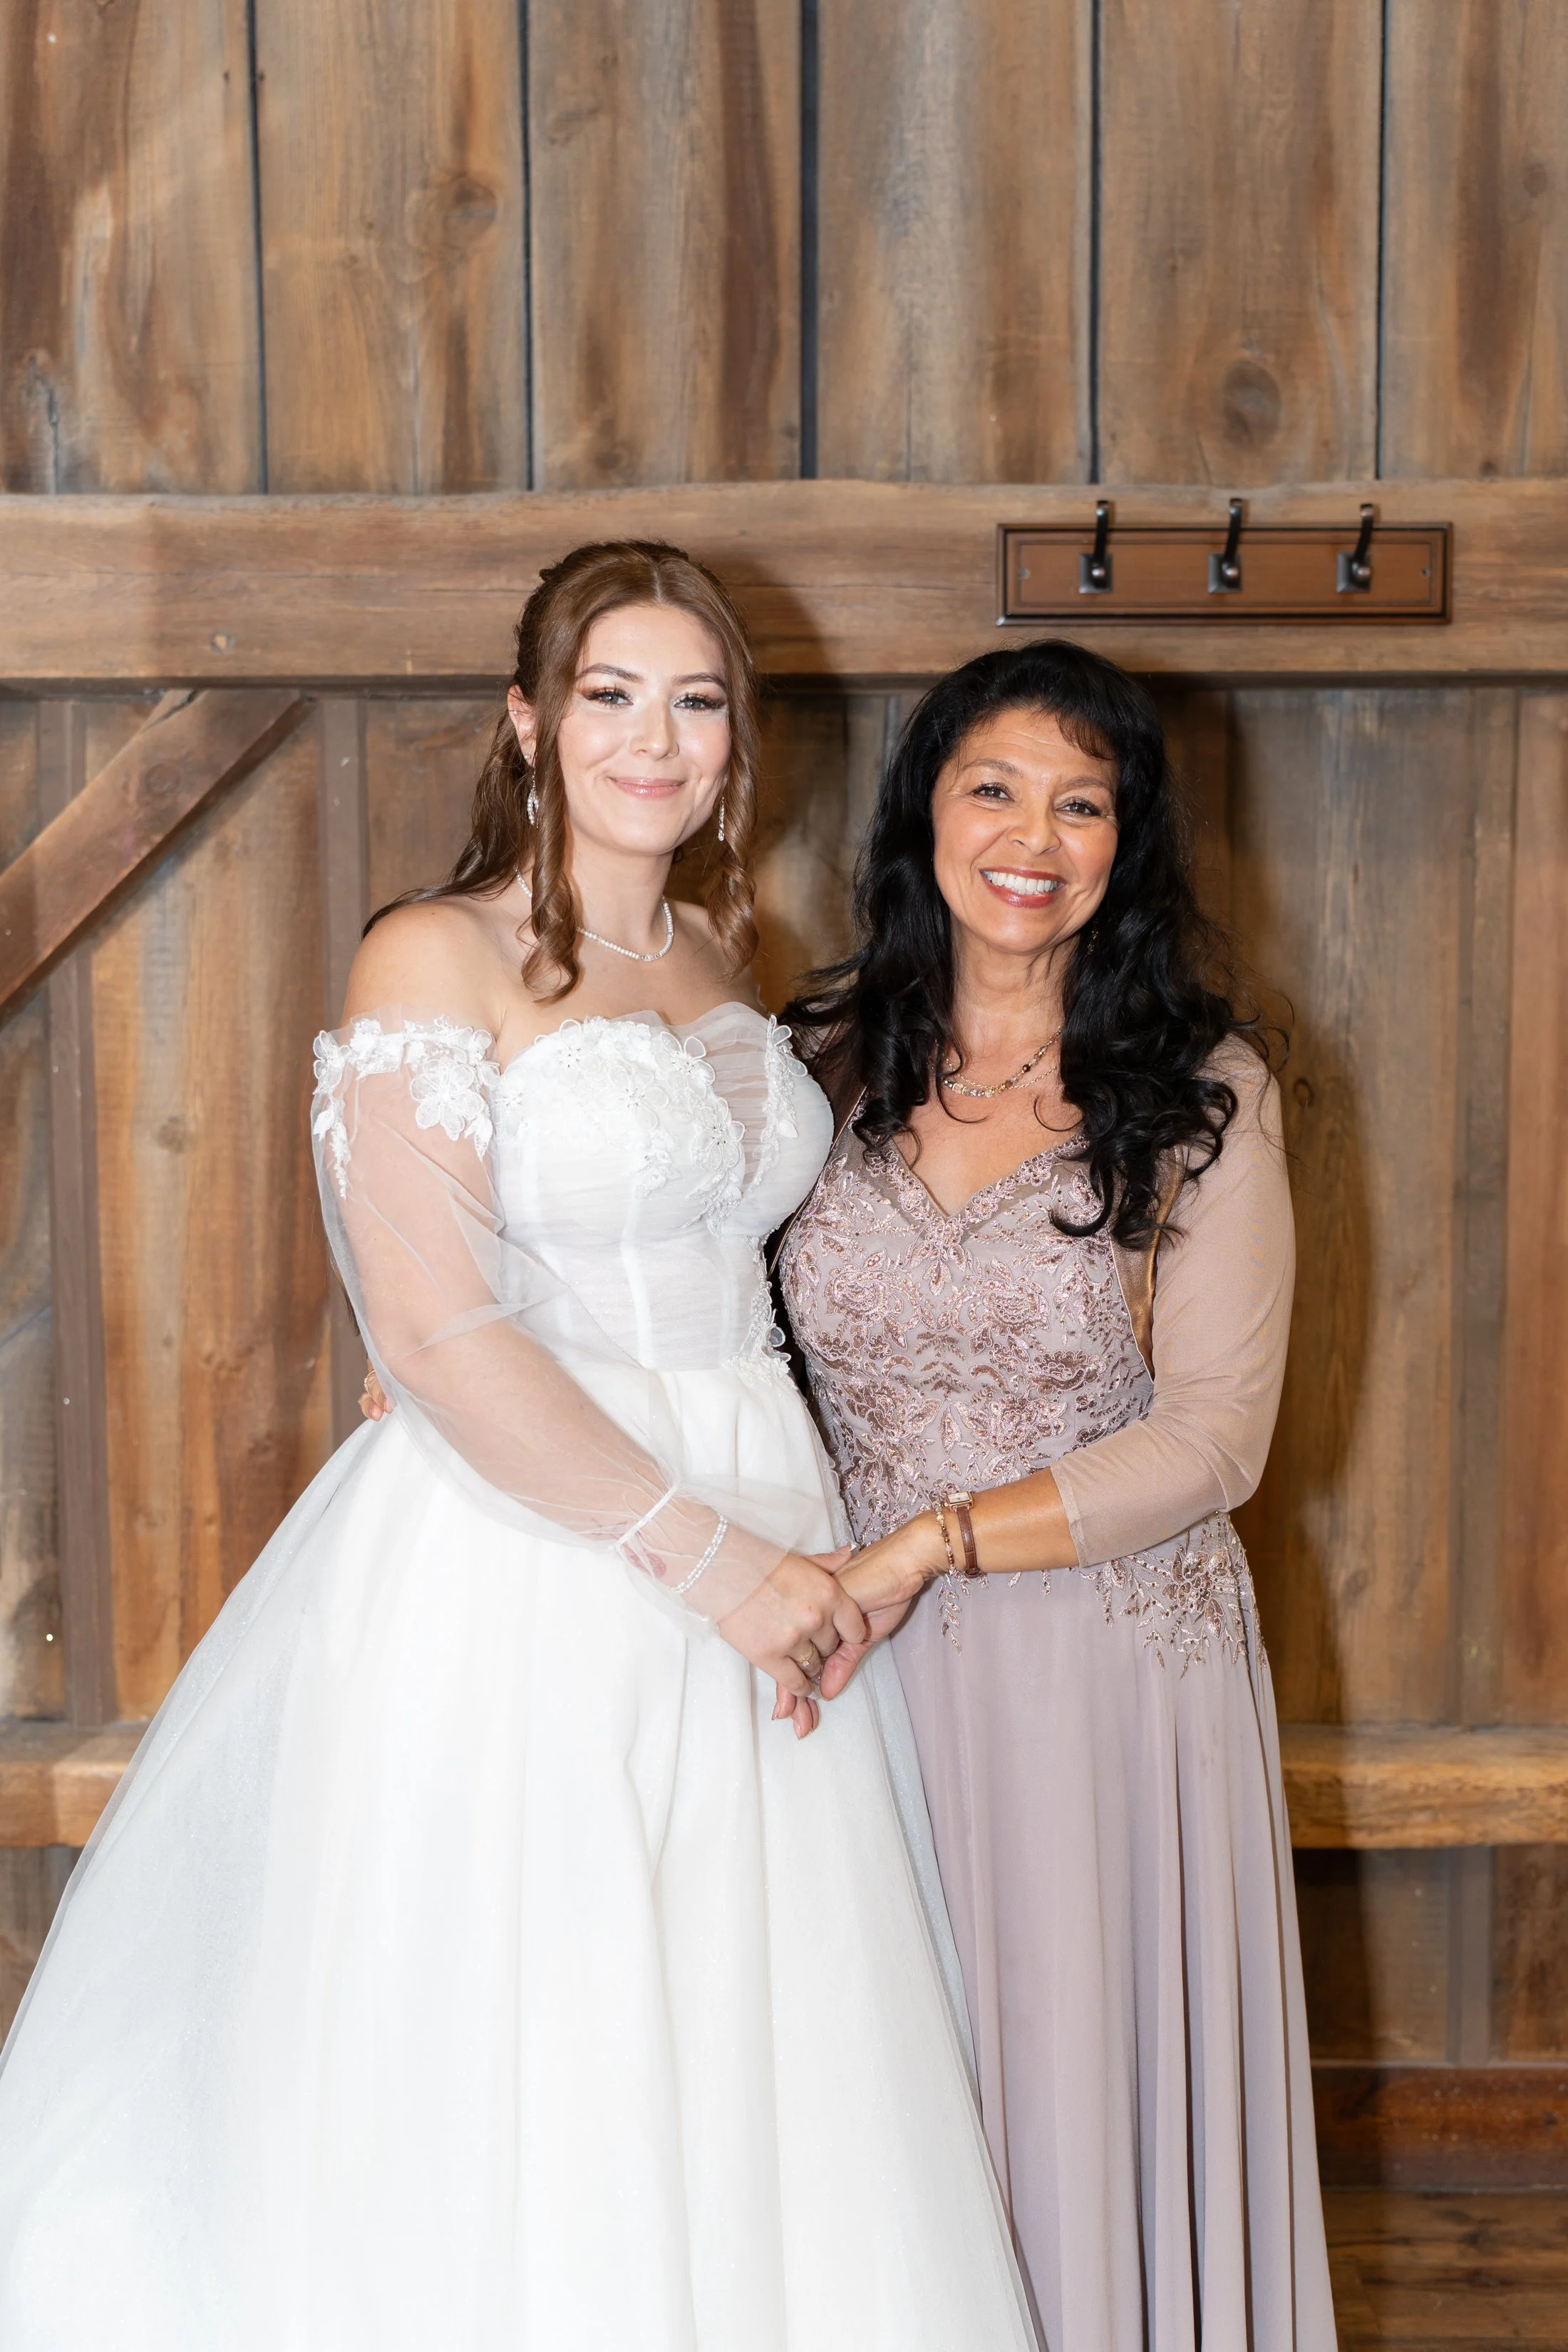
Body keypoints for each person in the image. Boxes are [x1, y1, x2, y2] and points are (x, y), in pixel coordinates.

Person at [0, 543, 1035, 2352]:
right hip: (549, 1551)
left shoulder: (726, 952)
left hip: (769, 1498)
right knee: (544, 2013)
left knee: (754, 2014)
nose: (657, 738)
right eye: (611, 695)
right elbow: (433, 1328)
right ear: (529, 722)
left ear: (734, 737)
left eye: (696, 700)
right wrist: (712, 1562)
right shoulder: (435, 948)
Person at [776, 641, 1337, 2351]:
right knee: (880, 2103)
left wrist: (931, 1544)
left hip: (1103, 1681)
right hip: (849, 1672)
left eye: (1081, 803)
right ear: (921, 815)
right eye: (993, 788)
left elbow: (1213, 1441)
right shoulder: (806, 1060)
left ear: (1128, 842)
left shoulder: (1205, 1093)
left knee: (1079, 2115)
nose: (1035, 836)